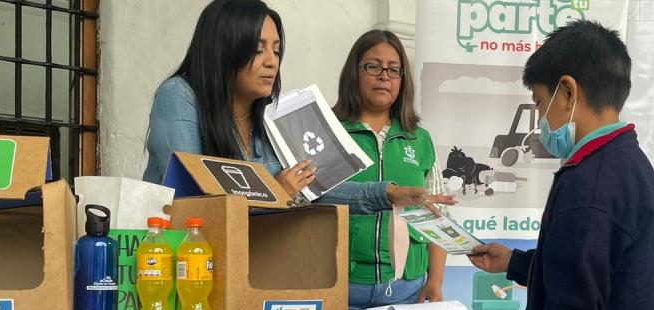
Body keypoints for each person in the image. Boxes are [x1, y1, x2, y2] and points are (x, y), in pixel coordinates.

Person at [467, 20, 654, 310]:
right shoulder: (626, 161)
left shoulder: (589, 183)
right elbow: (591, 273)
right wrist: (514, 263)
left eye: (539, 103)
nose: (541, 121)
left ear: (567, 92)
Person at [142, 0, 453, 214]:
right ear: (224, 48)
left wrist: (389, 193)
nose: (272, 61)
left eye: (276, 50)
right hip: (180, 263)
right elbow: (194, 196)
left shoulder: (275, 115)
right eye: (258, 49)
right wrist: (276, 193)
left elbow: (318, 188)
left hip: (244, 266)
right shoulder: (179, 95)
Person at [333, 30, 447, 310]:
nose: (384, 76)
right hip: (340, 289)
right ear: (354, 72)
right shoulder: (329, 132)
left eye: (394, 70)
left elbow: (438, 217)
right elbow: (310, 201)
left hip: (408, 291)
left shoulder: (420, 139)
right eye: (373, 66)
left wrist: (435, 281)